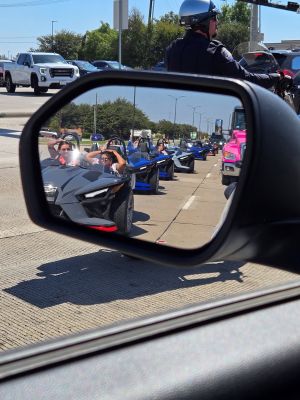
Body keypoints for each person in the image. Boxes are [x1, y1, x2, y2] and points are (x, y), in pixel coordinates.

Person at [165, 0, 291, 90]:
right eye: (214, 18)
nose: (217, 22)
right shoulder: (215, 51)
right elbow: (246, 79)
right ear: (204, 22)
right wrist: (276, 78)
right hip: (210, 115)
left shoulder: (172, 49)